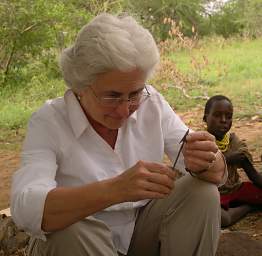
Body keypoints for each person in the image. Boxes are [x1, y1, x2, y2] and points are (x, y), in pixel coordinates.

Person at [11, 13, 226, 256]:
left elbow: (217, 173)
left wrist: (207, 160)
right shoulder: (49, 121)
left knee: (202, 192)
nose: (125, 109)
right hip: (79, 245)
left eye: (134, 93)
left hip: (140, 234)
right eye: (112, 96)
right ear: (80, 86)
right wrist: (115, 190)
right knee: (67, 229)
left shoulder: (151, 102)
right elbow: (25, 208)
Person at [203, 95, 262, 227]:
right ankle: (249, 207)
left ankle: (243, 203)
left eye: (228, 116)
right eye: (217, 115)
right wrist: (228, 158)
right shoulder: (201, 142)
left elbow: (254, 176)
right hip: (213, 194)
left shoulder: (233, 141)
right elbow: (202, 167)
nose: (223, 120)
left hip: (235, 189)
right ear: (205, 118)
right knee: (222, 218)